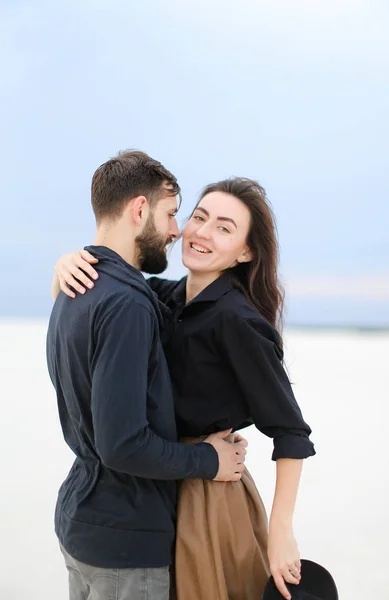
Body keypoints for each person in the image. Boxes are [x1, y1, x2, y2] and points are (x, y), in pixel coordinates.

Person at [54, 175, 316, 600]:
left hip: (209, 497)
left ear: (245, 252)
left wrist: (281, 532)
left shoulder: (239, 323)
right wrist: (69, 262)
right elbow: (106, 284)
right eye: (199, 217)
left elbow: (291, 432)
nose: (201, 232)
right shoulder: (165, 297)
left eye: (224, 228)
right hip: (156, 486)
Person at [46, 150, 246, 600]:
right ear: (139, 210)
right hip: (125, 538)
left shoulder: (74, 287)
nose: (177, 231)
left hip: (83, 521)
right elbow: (123, 444)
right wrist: (209, 462)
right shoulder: (126, 305)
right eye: (172, 214)